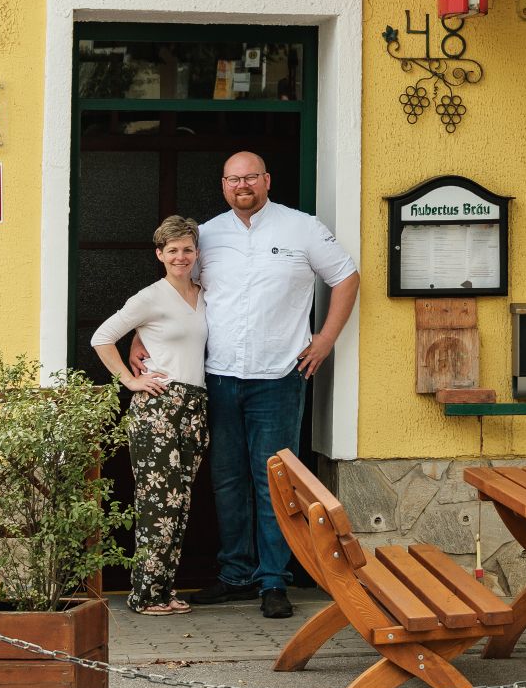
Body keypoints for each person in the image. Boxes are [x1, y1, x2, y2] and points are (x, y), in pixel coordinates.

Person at [198, 150, 361, 617]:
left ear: (267, 180)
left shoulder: (302, 227)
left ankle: (274, 580)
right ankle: (235, 575)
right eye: (233, 179)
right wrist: (141, 340)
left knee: (275, 483)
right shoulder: (207, 235)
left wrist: (325, 339)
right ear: (224, 185)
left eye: (250, 177)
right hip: (220, 374)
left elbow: (346, 278)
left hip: (279, 375)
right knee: (227, 480)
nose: (241, 185)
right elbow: (179, 291)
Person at [89, 214, 218, 615]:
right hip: (159, 406)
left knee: (179, 503)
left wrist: (140, 339)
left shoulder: (204, 293)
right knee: (157, 503)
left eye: (188, 249)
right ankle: (145, 595)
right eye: (173, 250)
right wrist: (129, 381)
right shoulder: (150, 296)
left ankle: (164, 591)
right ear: (160, 254)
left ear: (196, 253)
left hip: (194, 405)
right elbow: (101, 338)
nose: (181, 257)